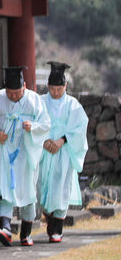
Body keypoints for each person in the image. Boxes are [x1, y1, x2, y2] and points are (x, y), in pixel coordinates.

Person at [0, 66, 50, 247]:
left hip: (26, 153)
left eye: (17, 93)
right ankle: (5, 229)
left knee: (28, 191)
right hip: (5, 152)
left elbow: (46, 124)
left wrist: (33, 127)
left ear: (24, 86)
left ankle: (26, 233)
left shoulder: (35, 100)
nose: (13, 96)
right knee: (5, 189)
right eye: (10, 93)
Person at [37, 62, 88, 243]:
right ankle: (49, 217)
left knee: (61, 188)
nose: (56, 92)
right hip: (44, 151)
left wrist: (61, 140)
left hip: (63, 152)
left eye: (59, 89)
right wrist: (44, 140)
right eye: (52, 89)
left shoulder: (73, 105)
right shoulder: (40, 102)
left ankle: (57, 229)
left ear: (65, 86)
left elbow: (79, 128)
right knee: (41, 187)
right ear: (48, 86)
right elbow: (33, 123)